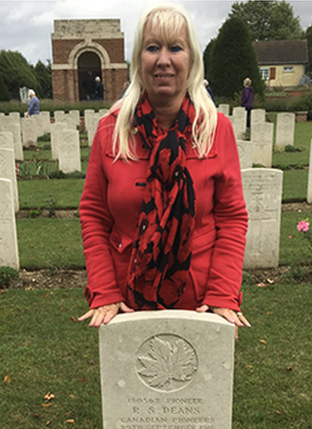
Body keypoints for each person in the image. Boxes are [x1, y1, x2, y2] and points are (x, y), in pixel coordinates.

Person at [78, 3, 250, 332]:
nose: (163, 60)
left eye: (175, 48)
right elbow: (94, 215)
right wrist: (104, 291)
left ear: (192, 59)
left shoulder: (216, 130)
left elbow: (231, 218)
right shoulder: (110, 131)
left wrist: (223, 293)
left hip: (200, 300)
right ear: (138, 60)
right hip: (125, 299)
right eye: (152, 47)